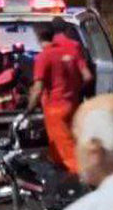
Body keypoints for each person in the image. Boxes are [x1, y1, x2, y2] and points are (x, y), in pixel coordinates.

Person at [28, 23, 94, 172]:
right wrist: (75, 91)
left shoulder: (43, 57)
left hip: (54, 109)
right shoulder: (69, 51)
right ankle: (63, 178)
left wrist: (29, 109)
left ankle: (79, 183)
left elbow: (38, 88)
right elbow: (87, 76)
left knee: (66, 151)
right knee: (68, 144)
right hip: (72, 104)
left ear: (38, 38)